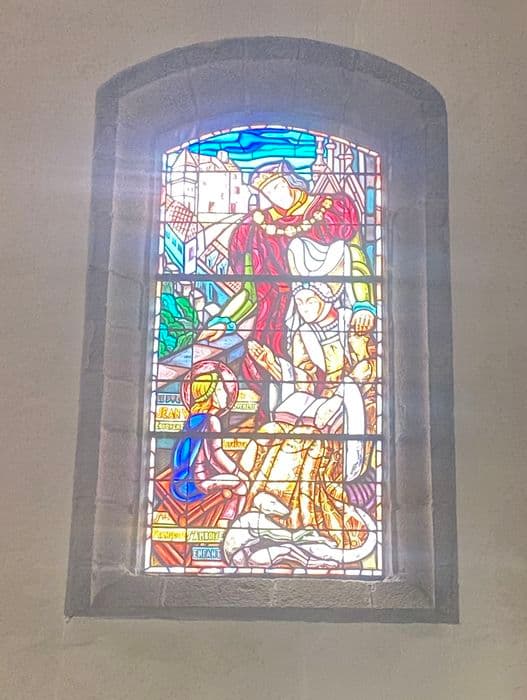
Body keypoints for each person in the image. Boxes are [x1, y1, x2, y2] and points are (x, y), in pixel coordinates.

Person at [237, 244, 377, 563]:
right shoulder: (303, 332)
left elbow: (368, 368)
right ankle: (264, 499)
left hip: (352, 406)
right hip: (318, 405)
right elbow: (304, 377)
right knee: (273, 430)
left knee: (310, 441)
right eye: (299, 302)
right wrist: (274, 364)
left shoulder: (350, 327)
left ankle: (305, 515)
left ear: (327, 298)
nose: (303, 307)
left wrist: (345, 390)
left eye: (309, 300)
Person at [198, 160, 376, 402]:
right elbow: (250, 292)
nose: (274, 195)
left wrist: (363, 305)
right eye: (266, 192)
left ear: (291, 180)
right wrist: (224, 320)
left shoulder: (333, 210)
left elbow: (356, 260)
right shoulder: (255, 229)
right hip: (274, 326)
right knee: (279, 393)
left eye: (276, 186)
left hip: (329, 317)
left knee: (335, 385)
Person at [170, 361, 248, 518]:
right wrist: (238, 472)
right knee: (241, 485)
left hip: (180, 482)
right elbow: (216, 456)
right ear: (210, 396)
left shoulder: (194, 420)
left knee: (238, 479)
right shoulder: (212, 421)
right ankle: (230, 520)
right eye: (220, 389)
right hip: (195, 485)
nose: (226, 393)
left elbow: (207, 456)